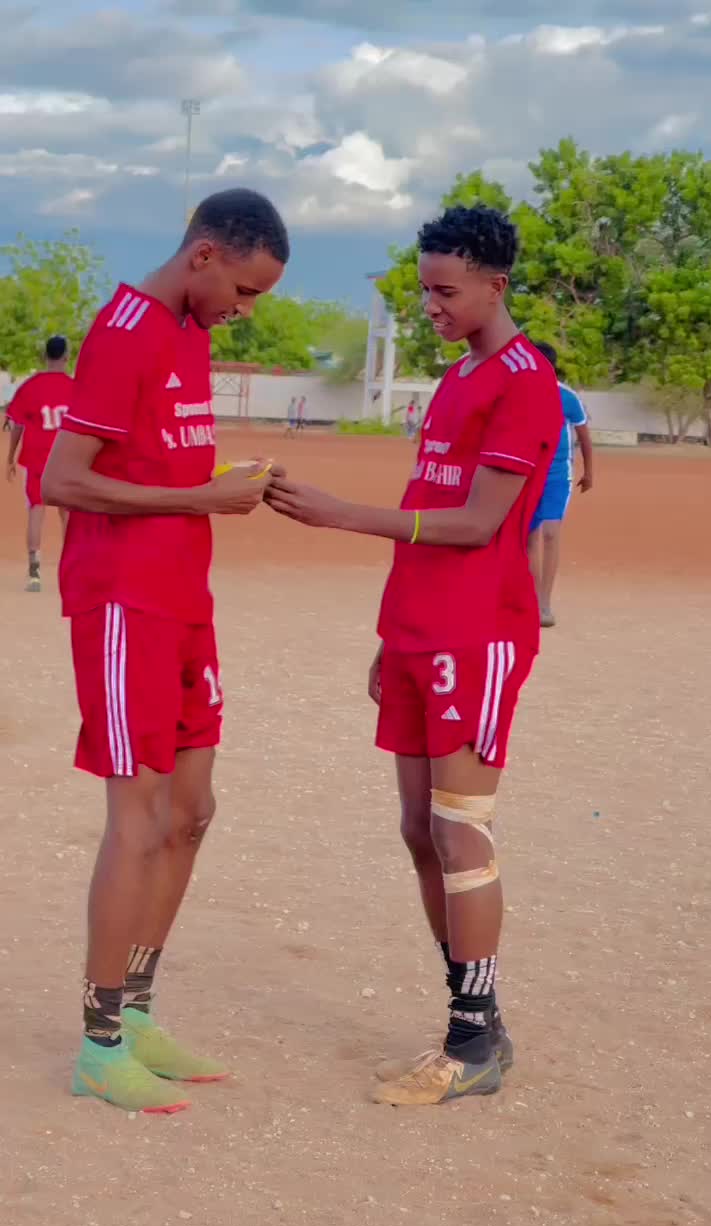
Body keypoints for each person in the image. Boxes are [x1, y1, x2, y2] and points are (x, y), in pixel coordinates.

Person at [267, 203, 562, 1107]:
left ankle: (470, 1041)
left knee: (460, 831)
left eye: (446, 290)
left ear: (495, 286)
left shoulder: (526, 380)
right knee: (417, 830)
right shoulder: (458, 376)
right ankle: (481, 1025)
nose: (431, 305)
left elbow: (476, 524)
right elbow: (431, 506)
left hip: (476, 635)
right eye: (425, 289)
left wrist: (340, 514)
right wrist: (389, 633)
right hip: (419, 633)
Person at [41, 187, 289, 1114]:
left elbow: (153, 460)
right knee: (138, 820)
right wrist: (198, 499)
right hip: (123, 603)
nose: (245, 308)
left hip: (185, 598)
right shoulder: (126, 332)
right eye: (244, 289)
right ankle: (99, 1044)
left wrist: (217, 483)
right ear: (203, 256)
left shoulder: (191, 329)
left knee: (191, 812)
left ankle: (138, 1012)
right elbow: (64, 479)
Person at [527, 342, 592, 628]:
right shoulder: (519, 393)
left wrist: (589, 472)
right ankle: (531, 601)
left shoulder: (567, 396)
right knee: (529, 536)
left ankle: (545, 603)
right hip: (527, 475)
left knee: (551, 533)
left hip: (556, 476)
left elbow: (584, 436)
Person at [5, 336, 74, 591]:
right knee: (68, 514)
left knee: (36, 510)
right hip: (66, 461)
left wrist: (11, 456)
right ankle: (71, 570)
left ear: (45, 357)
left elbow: (17, 425)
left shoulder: (30, 387)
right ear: (66, 357)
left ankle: (34, 573)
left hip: (37, 459)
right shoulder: (75, 387)